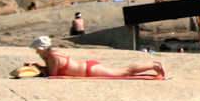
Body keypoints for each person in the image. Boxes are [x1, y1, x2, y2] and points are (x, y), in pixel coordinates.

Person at [31, 36, 165, 79]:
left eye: (37, 50)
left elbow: (51, 74)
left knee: (125, 72)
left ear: (42, 49)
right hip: (89, 67)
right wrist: (39, 64)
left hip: (90, 70)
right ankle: (151, 63)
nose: (37, 52)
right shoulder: (54, 54)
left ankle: (154, 65)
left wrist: (38, 67)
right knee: (124, 70)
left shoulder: (53, 57)